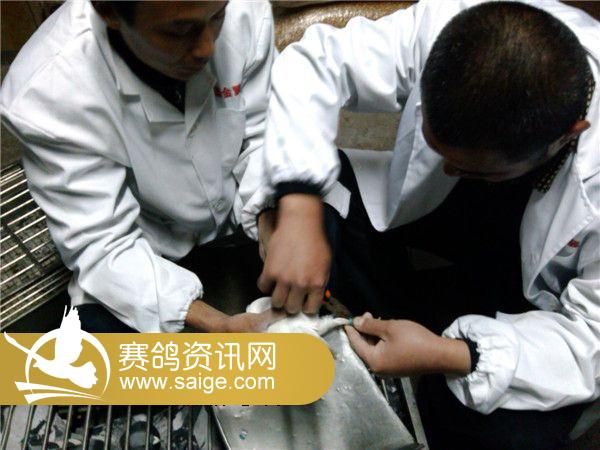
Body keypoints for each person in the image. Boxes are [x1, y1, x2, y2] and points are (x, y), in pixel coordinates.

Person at [244, 0, 600, 448]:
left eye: (470, 169)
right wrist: (298, 211)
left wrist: (453, 355)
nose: (448, 169)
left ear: (569, 134)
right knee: (320, 203)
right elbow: (313, 63)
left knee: (510, 436)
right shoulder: (456, 25)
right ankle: (376, 323)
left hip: (540, 299)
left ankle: (429, 370)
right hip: (436, 215)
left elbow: (592, 340)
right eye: (438, 149)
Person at [1, 1, 282, 333]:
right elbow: (103, 243)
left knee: (320, 222)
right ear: (109, 12)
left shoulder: (244, 10)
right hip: (148, 248)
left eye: (218, 16)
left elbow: (263, 133)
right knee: (104, 346)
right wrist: (218, 324)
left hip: (239, 215)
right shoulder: (48, 93)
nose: (207, 48)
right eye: (180, 30)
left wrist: (271, 219)